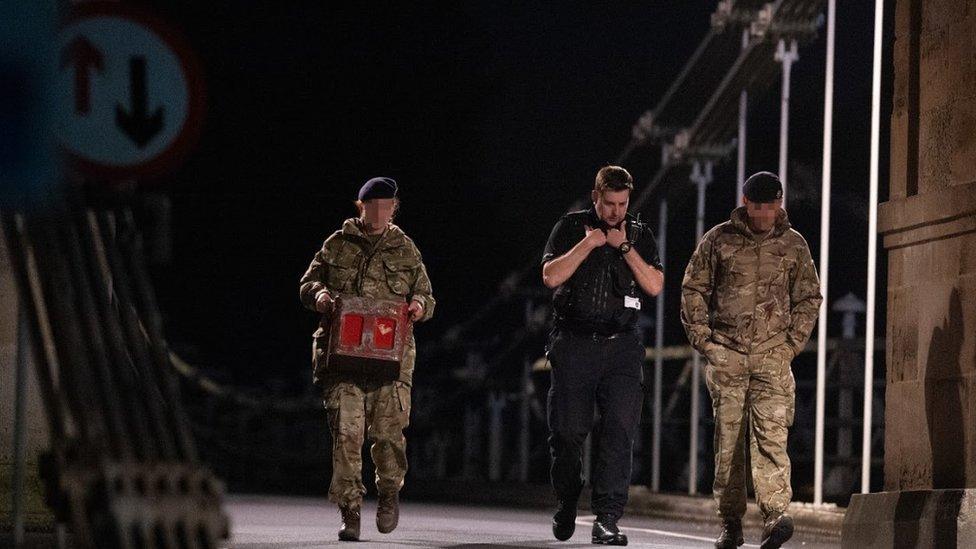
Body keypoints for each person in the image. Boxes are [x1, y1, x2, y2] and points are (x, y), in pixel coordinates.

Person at [680, 171, 822, 549]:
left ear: (780, 205)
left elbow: (809, 298)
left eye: (771, 207)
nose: (764, 215)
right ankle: (731, 523)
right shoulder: (718, 241)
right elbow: (694, 289)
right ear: (745, 203)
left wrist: (791, 345)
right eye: (757, 207)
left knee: (771, 438)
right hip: (728, 356)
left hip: (773, 357)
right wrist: (708, 345)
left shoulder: (794, 246)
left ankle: (776, 516)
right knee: (728, 443)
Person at [299, 177, 435, 541]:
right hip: (344, 357)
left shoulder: (406, 249)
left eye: (386, 206)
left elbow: (425, 293)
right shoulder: (337, 244)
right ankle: (351, 509)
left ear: (394, 208)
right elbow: (307, 283)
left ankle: (389, 491)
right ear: (361, 207)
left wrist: (420, 306)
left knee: (388, 436)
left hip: (390, 360)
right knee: (346, 431)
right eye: (372, 206)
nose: (379, 212)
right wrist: (322, 297)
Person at [541, 165, 664, 545]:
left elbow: (655, 286)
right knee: (566, 433)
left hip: (621, 346)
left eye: (622, 204)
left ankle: (607, 518)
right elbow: (551, 277)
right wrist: (589, 244)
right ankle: (567, 498)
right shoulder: (569, 226)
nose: (615, 212)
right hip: (575, 342)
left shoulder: (639, 234)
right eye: (609, 203)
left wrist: (624, 247)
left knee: (618, 431)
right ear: (596, 197)